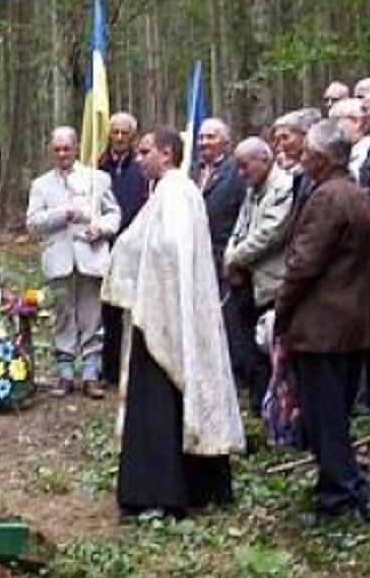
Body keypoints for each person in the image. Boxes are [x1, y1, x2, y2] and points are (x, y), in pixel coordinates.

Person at [104, 125, 244, 520]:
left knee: (164, 404)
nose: (140, 158)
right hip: (157, 309)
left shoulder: (178, 193)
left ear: (166, 153)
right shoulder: (167, 192)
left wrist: (133, 252)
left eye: (146, 151)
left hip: (166, 313)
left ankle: (163, 490)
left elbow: (170, 250)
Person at [275, 121, 370, 523]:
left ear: (320, 159)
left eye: (305, 155)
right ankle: (341, 487)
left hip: (321, 328)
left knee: (324, 418)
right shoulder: (359, 195)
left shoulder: (326, 199)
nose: (301, 161)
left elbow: (303, 265)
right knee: (334, 414)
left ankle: (342, 494)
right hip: (352, 323)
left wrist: (281, 313)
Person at [26, 125, 121, 399]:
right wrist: (62, 213)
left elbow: (114, 214)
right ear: (51, 151)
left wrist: (101, 229)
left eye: (66, 148)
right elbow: (33, 223)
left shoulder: (97, 179)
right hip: (58, 259)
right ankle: (65, 373)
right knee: (63, 316)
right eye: (57, 149)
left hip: (90, 256)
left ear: (76, 147)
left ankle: (91, 373)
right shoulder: (41, 185)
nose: (62, 153)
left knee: (92, 317)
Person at [223, 137, 294, 411]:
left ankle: (277, 410)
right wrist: (231, 257)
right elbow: (240, 228)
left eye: (245, 167)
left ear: (264, 159)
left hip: (272, 282)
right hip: (247, 282)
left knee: (271, 351)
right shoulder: (253, 190)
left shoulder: (283, 187)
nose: (241, 174)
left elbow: (271, 233)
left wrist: (235, 259)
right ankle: (258, 404)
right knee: (247, 349)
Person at [98, 112, 147, 385]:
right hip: (103, 246)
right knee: (107, 310)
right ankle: (108, 368)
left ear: (132, 136)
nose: (118, 138)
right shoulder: (99, 166)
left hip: (132, 246)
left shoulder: (141, 170)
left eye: (124, 133)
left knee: (130, 307)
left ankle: (130, 368)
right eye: (114, 132)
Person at [192, 117, 246, 280]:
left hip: (222, 260)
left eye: (211, 137)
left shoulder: (236, 171)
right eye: (201, 137)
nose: (204, 142)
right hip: (194, 258)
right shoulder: (190, 170)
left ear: (226, 143)